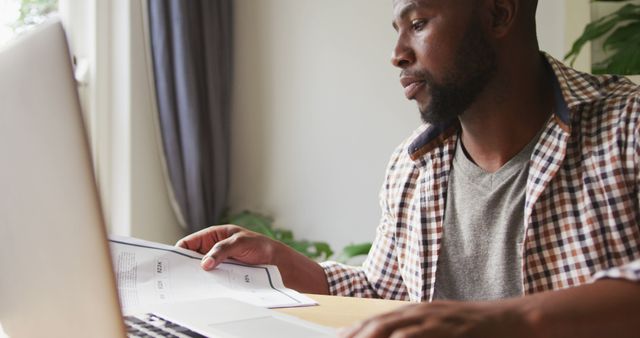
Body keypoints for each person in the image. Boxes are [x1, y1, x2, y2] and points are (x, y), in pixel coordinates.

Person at [177, 0, 640, 336]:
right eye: (397, 29)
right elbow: (388, 294)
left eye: (417, 23)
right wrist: (289, 266)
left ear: (499, 13)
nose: (397, 54)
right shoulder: (412, 166)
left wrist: (509, 320)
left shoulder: (628, 126)